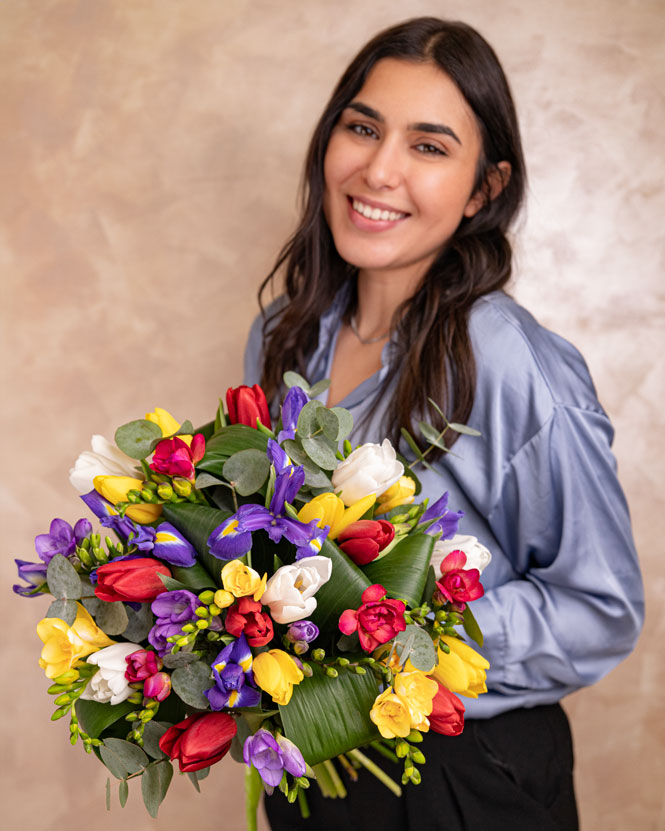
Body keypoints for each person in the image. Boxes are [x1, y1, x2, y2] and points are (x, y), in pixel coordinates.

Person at [242, 17, 644, 831]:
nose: (378, 169)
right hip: (317, 759)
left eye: (428, 147)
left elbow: (599, 607)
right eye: (361, 128)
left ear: (483, 189)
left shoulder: (507, 361)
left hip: (464, 777)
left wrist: (394, 641)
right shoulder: (285, 333)